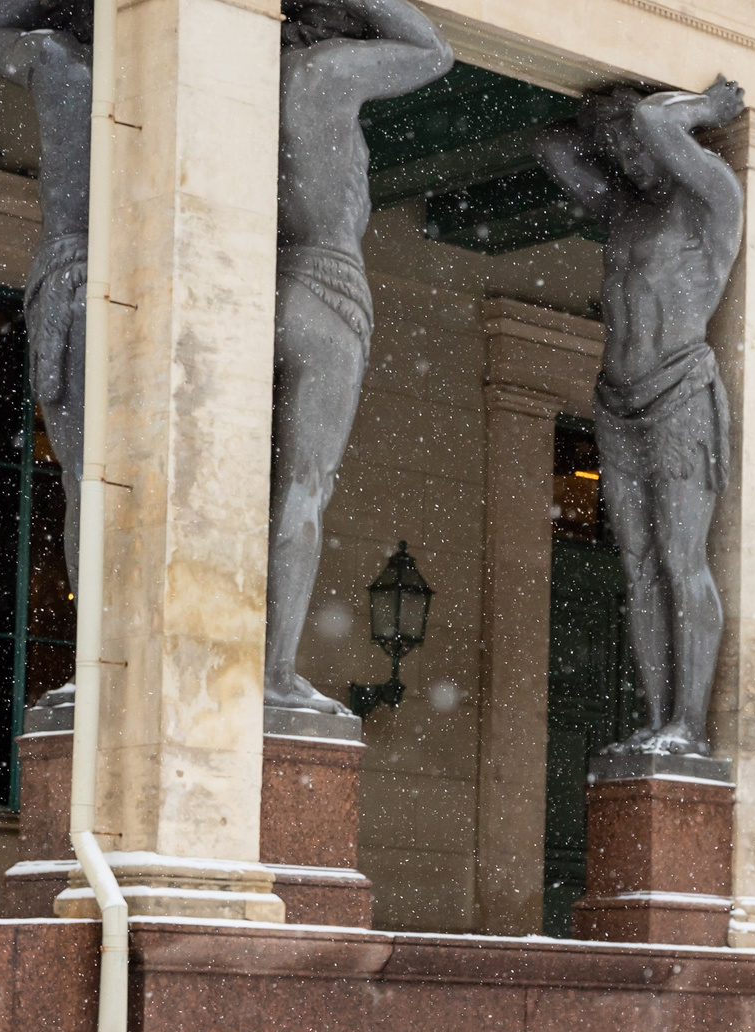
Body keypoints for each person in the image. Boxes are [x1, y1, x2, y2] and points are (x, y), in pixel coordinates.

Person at [535, 78, 746, 759]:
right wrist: (602, 123)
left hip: (680, 390)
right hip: (616, 400)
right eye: (616, 145)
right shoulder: (624, 206)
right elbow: (550, 145)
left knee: (682, 560)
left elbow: (658, 126)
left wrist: (703, 110)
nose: (625, 153)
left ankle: (692, 723)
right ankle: (661, 721)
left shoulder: (711, 199)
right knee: (639, 565)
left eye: (631, 140)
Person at [263, 0, 453, 718]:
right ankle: (275, 672)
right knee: (302, 489)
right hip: (326, 288)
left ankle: (235, 662)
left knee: (244, 487)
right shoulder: (326, 69)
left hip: (258, 282)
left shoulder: (250, 67)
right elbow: (433, 50)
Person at [0, 0, 94, 714]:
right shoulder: (75, 65)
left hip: (74, 274)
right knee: (94, 480)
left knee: (86, 480)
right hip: (111, 272)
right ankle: (102, 652)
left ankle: (97, 651)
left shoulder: (56, 60)